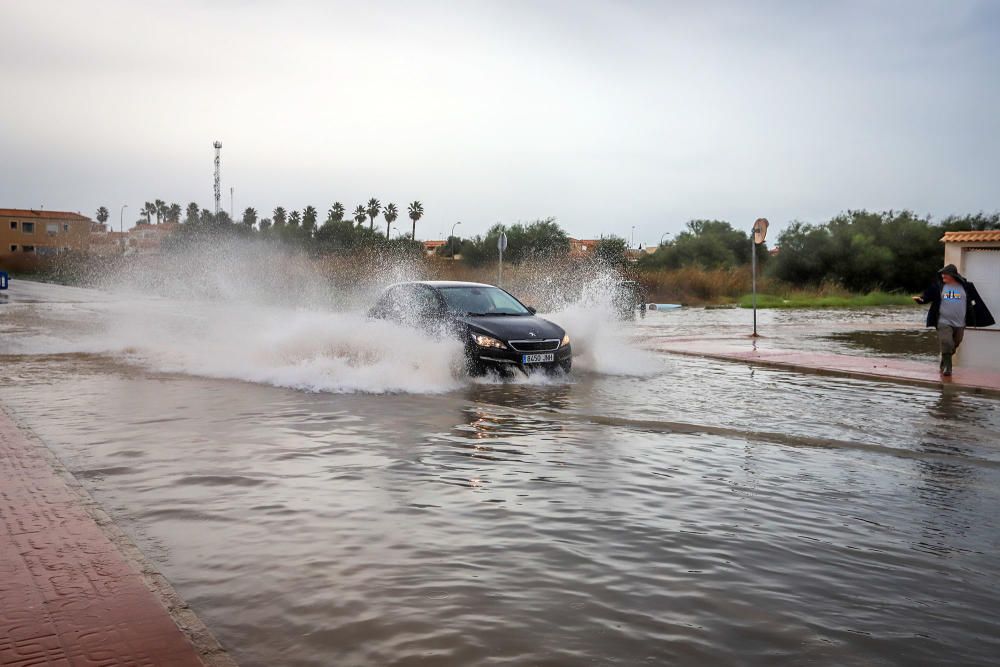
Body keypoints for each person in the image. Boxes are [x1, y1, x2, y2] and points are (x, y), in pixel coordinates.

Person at [912, 264, 995, 376]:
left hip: (960, 323)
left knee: (955, 343)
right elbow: (926, 296)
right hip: (943, 321)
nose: (942, 275)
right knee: (946, 341)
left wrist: (980, 316)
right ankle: (948, 368)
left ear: (953, 275)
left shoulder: (967, 286)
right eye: (942, 273)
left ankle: (944, 360)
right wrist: (921, 299)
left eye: (945, 273)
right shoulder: (938, 287)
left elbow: (977, 301)